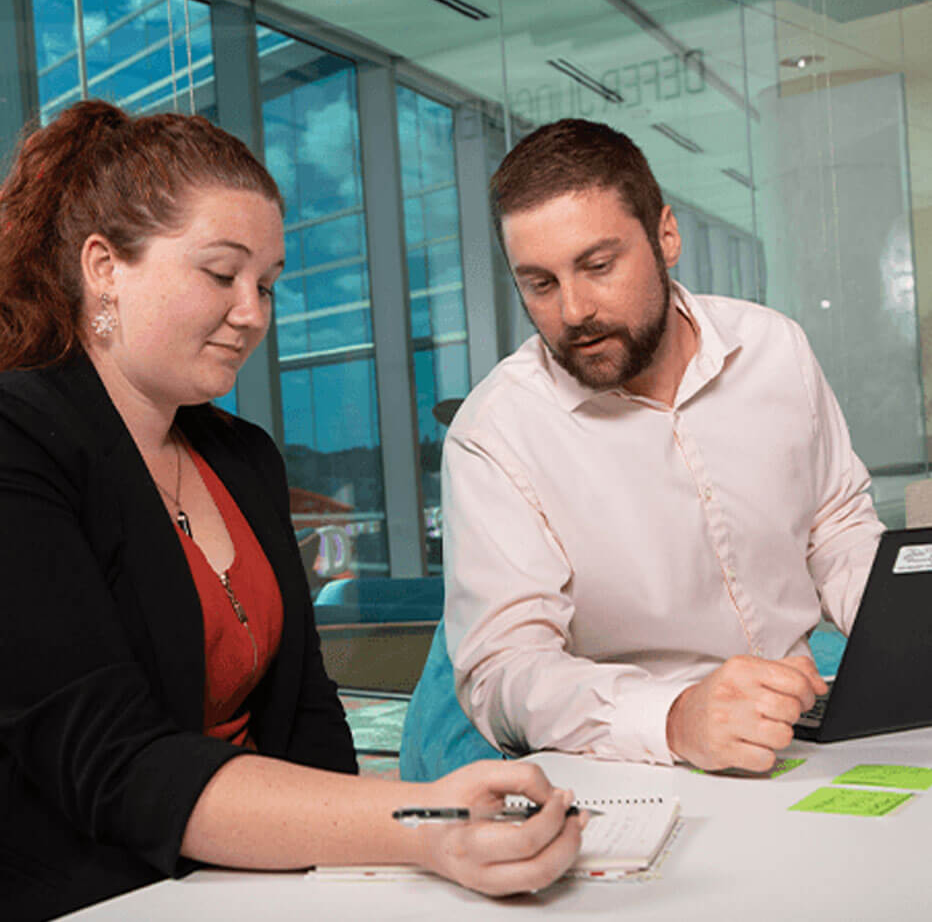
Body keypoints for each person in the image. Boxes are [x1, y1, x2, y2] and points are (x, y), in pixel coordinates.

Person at [0, 100, 586, 921]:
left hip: (264, 887)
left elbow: (310, 717)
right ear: (104, 265)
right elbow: (115, 765)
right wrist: (422, 823)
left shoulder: (243, 458)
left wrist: (370, 882)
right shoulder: (19, 440)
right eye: (221, 274)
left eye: (267, 284)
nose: (254, 314)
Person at [441, 118, 885, 776]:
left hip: (810, 731)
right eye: (540, 283)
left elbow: (835, 526)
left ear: (666, 236)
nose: (574, 310)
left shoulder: (773, 346)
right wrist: (676, 717)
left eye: (598, 266)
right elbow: (502, 673)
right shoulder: (496, 430)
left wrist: (904, 631)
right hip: (640, 763)